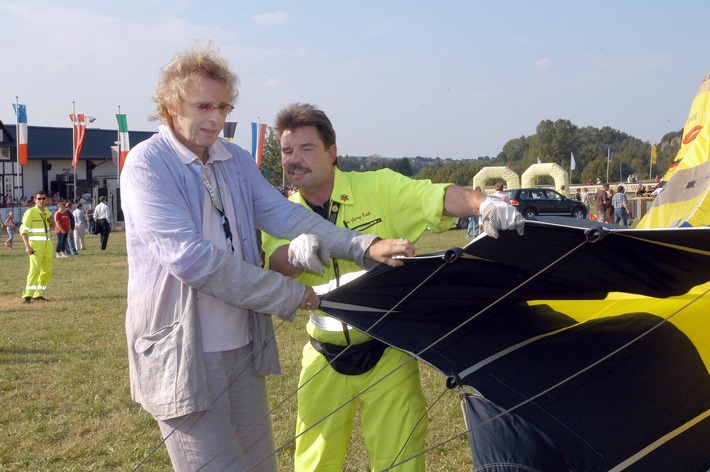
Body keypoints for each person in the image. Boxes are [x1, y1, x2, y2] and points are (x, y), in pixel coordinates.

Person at [120, 44, 414, 472]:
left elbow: (284, 214)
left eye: (224, 106)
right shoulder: (147, 165)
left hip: (240, 342)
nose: (217, 118)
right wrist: (294, 294)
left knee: (260, 466)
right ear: (169, 105)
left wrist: (361, 246)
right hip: (182, 352)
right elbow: (192, 260)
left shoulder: (234, 159)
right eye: (204, 105)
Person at [261, 103, 525, 472]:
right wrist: (294, 253)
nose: (294, 160)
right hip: (322, 355)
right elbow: (273, 259)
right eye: (287, 151)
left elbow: (435, 196)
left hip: (387, 351)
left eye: (306, 149)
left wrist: (485, 204)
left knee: (399, 459)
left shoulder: (378, 186)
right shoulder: (279, 212)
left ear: (332, 153)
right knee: (313, 460)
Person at [20, 191, 54, 303]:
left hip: (47, 246)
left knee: (46, 271)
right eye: (39, 198)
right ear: (35, 200)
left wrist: (52, 221)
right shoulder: (30, 212)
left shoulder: (47, 212)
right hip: (35, 246)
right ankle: (27, 295)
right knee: (34, 270)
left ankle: (38, 293)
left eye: (43, 198)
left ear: (46, 200)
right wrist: (27, 246)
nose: (41, 201)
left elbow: (51, 225)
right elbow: (23, 230)